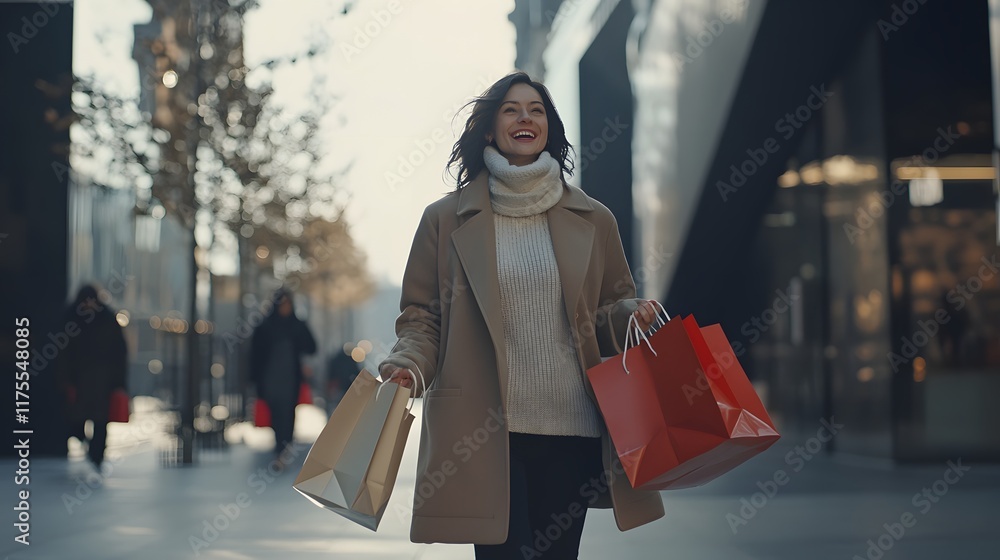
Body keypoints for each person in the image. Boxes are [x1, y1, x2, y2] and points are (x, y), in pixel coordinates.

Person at [379, 72, 665, 558]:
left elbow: (605, 310)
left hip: (571, 427)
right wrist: (409, 363)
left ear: (549, 128)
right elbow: (423, 316)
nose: (525, 117)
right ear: (490, 129)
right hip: (484, 433)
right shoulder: (445, 219)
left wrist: (630, 314)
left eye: (536, 110)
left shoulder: (594, 218)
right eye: (511, 109)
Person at [56, 285, 128, 468]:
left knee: (100, 420)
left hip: (102, 381)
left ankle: (97, 455)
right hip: (80, 381)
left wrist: (119, 381)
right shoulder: (71, 319)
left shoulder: (106, 320)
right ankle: (90, 448)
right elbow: (63, 352)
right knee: (76, 420)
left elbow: (119, 352)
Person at [250, 288, 317, 454]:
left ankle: (285, 445)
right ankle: (280, 444)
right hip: (270, 378)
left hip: (291, 379)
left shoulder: (297, 325)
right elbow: (254, 355)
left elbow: (312, 347)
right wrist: (254, 380)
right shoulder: (265, 326)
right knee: (275, 412)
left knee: (288, 412)